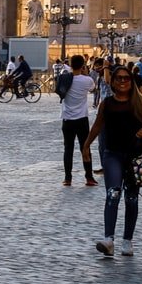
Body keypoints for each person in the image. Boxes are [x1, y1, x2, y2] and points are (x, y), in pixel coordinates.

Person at [82, 66, 142, 257]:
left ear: (131, 82)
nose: (122, 81)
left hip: (135, 156)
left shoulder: (141, 103)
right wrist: (86, 145)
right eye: (118, 78)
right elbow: (98, 125)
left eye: (126, 78)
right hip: (112, 154)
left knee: (131, 198)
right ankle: (109, 239)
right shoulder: (107, 103)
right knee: (112, 193)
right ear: (112, 82)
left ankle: (128, 240)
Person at [57, 55, 97, 187]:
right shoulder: (87, 80)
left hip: (67, 118)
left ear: (70, 64)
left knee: (68, 148)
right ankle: (89, 177)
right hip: (81, 119)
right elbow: (93, 88)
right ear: (83, 65)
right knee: (85, 147)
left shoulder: (65, 79)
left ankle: (67, 178)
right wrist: (85, 73)